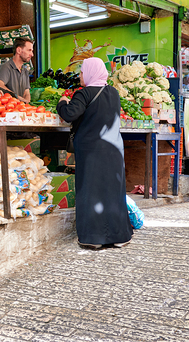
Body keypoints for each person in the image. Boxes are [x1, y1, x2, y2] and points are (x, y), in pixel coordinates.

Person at [56, 58, 133, 249]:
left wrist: (62, 102)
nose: (80, 75)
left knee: (91, 191)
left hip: (92, 152)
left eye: (82, 72)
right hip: (114, 149)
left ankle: (93, 238)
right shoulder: (113, 93)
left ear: (90, 73)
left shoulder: (83, 94)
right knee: (112, 191)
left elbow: (69, 114)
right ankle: (119, 236)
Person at [0, 38, 34, 102]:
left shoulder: (25, 71)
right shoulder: (6, 67)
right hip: (8, 109)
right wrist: (17, 98)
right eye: (29, 50)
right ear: (18, 50)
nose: (32, 54)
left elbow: (26, 92)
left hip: (20, 109)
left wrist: (26, 102)